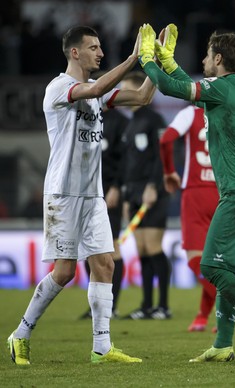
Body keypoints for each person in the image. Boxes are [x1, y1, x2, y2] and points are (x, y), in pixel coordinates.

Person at [6, 25, 155, 365]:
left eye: (101, 47)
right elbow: (99, 87)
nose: (100, 53)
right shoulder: (59, 88)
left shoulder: (97, 94)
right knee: (64, 272)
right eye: (93, 47)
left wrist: (158, 64)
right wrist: (134, 57)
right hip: (63, 194)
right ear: (75, 52)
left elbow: (143, 96)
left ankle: (102, 348)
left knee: (104, 263)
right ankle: (20, 334)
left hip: (93, 195)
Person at [139, 23, 235, 362]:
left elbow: (173, 89)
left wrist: (147, 59)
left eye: (205, 55)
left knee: (211, 267)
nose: (202, 60)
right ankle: (222, 345)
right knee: (225, 268)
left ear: (218, 59)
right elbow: (190, 84)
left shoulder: (219, 88)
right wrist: (168, 59)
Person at [160, 105, 235, 332]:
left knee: (195, 259)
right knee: (216, 260)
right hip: (225, 191)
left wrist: (169, 171)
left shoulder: (190, 112)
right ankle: (203, 315)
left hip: (196, 193)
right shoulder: (230, 113)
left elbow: (166, 140)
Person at [120, 70, 172, 320]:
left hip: (154, 193)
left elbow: (163, 157)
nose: (122, 93)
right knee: (141, 250)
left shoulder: (155, 120)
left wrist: (154, 186)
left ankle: (163, 306)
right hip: (134, 194)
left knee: (153, 247)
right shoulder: (130, 123)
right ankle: (147, 305)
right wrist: (127, 196)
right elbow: (129, 165)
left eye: (126, 88)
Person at [79, 71, 129, 320]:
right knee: (89, 251)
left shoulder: (121, 121)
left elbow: (124, 160)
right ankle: (96, 306)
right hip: (86, 191)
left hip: (109, 192)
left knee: (112, 250)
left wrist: (117, 187)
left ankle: (112, 305)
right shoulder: (86, 115)